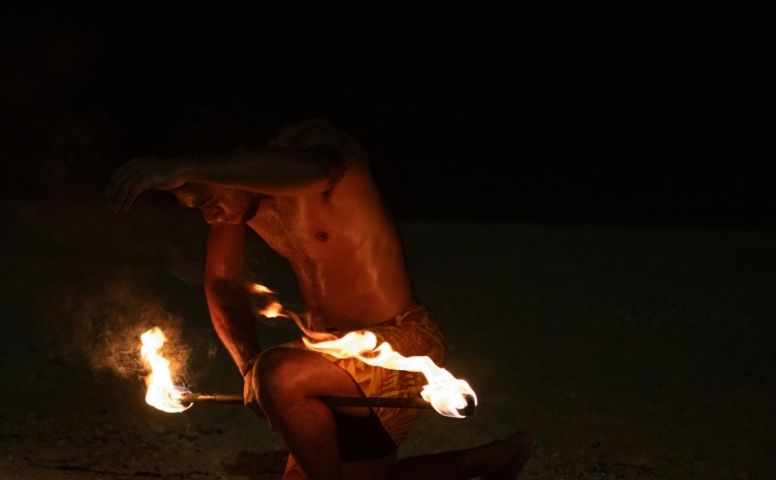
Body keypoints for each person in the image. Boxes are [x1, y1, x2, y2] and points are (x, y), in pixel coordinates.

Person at [108, 112, 536, 480]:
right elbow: (222, 284)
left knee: (280, 375)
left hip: (398, 344)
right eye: (196, 207)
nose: (209, 213)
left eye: (208, 198)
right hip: (329, 358)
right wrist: (247, 368)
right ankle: (488, 460)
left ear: (232, 163)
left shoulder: (314, 148)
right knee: (281, 394)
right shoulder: (236, 204)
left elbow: (320, 169)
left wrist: (191, 166)